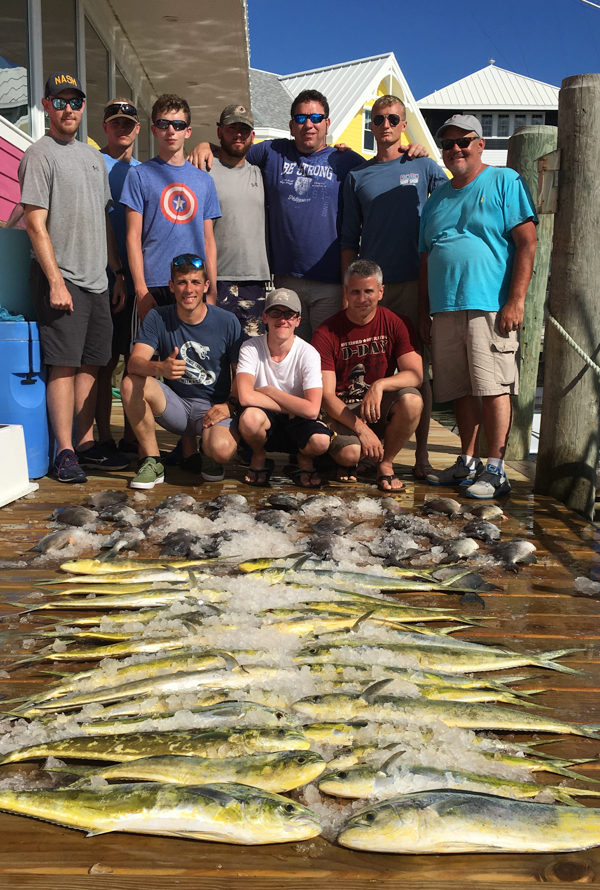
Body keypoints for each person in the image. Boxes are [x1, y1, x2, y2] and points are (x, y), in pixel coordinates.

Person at [189, 90, 428, 341]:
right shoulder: (272, 152)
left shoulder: (346, 161)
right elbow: (236, 149)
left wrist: (411, 152)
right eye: (301, 118)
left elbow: (381, 170)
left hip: (331, 283)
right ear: (291, 126)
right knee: (286, 357)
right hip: (285, 280)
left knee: (326, 357)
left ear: (327, 123)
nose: (309, 124)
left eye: (316, 117)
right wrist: (207, 145)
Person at [418, 114, 538, 499]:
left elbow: (527, 242)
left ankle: (497, 469)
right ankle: (466, 462)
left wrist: (516, 300)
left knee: (492, 387)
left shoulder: (505, 180)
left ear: (480, 143)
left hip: (488, 305)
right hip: (445, 307)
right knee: (460, 390)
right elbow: (425, 259)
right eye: (448, 144)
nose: (455, 149)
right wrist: (425, 311)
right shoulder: (435, 199)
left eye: (463, 141)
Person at [18, 71, 129, 482]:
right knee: (63, 364)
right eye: (59, 101)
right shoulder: (39, 154)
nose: (68, 109)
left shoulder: (91, 157)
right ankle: (63, 450)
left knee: (93, 364)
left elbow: (103, 220)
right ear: (46, 105)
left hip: (97, 279)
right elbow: (34, 222)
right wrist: (55, 281)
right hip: (61, 277)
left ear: (83, 108)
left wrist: (116, 272)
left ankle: (84, 445)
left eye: (75, 101)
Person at [340, 94, 448, 480]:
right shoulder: (357, 176)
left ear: (404, 125)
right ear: (371, 125)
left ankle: (421, 457)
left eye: (393, 119)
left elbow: (454, 196)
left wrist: (425, 153)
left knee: (418, 364)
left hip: (415, 282)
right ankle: (372, 446)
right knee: (369, 365)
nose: (385, 125)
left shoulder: (422, 165)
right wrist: (346, 288)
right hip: (370, 290)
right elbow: (348, 238)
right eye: (379, 119)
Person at [121, 254, 242, 490]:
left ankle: (208, 453)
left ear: (206, 286)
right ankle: (152, 460)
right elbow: (134, 363)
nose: (189, 289)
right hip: (174, 406)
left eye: (195, 282)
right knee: (130, 383)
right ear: (172, 286)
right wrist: (160, 368)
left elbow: (242, 373)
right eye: (182, 282)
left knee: (222, 450)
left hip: (212, 408)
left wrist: (231, 405)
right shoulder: (158, 316)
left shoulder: (228, 321)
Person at [312, 260, 423, 491]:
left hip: (376, 408)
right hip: (342, 412)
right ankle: (352, 457)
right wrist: (361, 429)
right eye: (355, 292)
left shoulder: (397, 323)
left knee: (412, 399)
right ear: (345, 293)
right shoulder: (325, 332)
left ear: (381, 292)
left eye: (368, 291)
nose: (362, 299)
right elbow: (327, 396)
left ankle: (386, 463)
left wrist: (380, 385)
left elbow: (415, 375)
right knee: (350, 454)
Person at [121, 93, 221, 321]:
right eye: (163, 124)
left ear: (188, 131)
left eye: (178, 125)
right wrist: (140, 289)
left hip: (193, 285)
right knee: (150, 356)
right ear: (154, 129)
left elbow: (208, 241)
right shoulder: (138, 175)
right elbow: (133, 237)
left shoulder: (205, 181)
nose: (171, 131)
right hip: (154, 284)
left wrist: (211, 288)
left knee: (193, 354)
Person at [235, 288, 332, 487]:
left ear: (298, 320)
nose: (282, 319)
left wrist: (270, 391)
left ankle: (303, 458)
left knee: (321, 441)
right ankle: (259, 455)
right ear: (265, 317)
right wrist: (296, 407)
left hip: (299, 421)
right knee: (249, 419)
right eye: (275, 313)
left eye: (289, 314)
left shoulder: (309, 353)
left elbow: (313, 410)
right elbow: (245, 397)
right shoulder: (250, 347)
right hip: (271, 417)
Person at [95, 98, 141, 459]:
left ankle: (132, 437)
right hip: (102, 276)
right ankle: (103, 437)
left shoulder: (144, 171)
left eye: (128, 123)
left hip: (139, 277)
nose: (122, 128)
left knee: (135, 358)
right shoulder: (93, 164)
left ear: (137, 129)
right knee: (104, 360)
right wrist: (117, 274)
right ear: (105, 127)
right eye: (116, 123)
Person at [209, 104, 270, 337]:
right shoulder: (203, 169)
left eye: (244, 130)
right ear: (219, 132)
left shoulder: (261, 173)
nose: (238, 135)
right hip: (216, 280)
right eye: (231, 128)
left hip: (254, 281)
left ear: (252, 136)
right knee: (215, 356)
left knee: (250, 358)